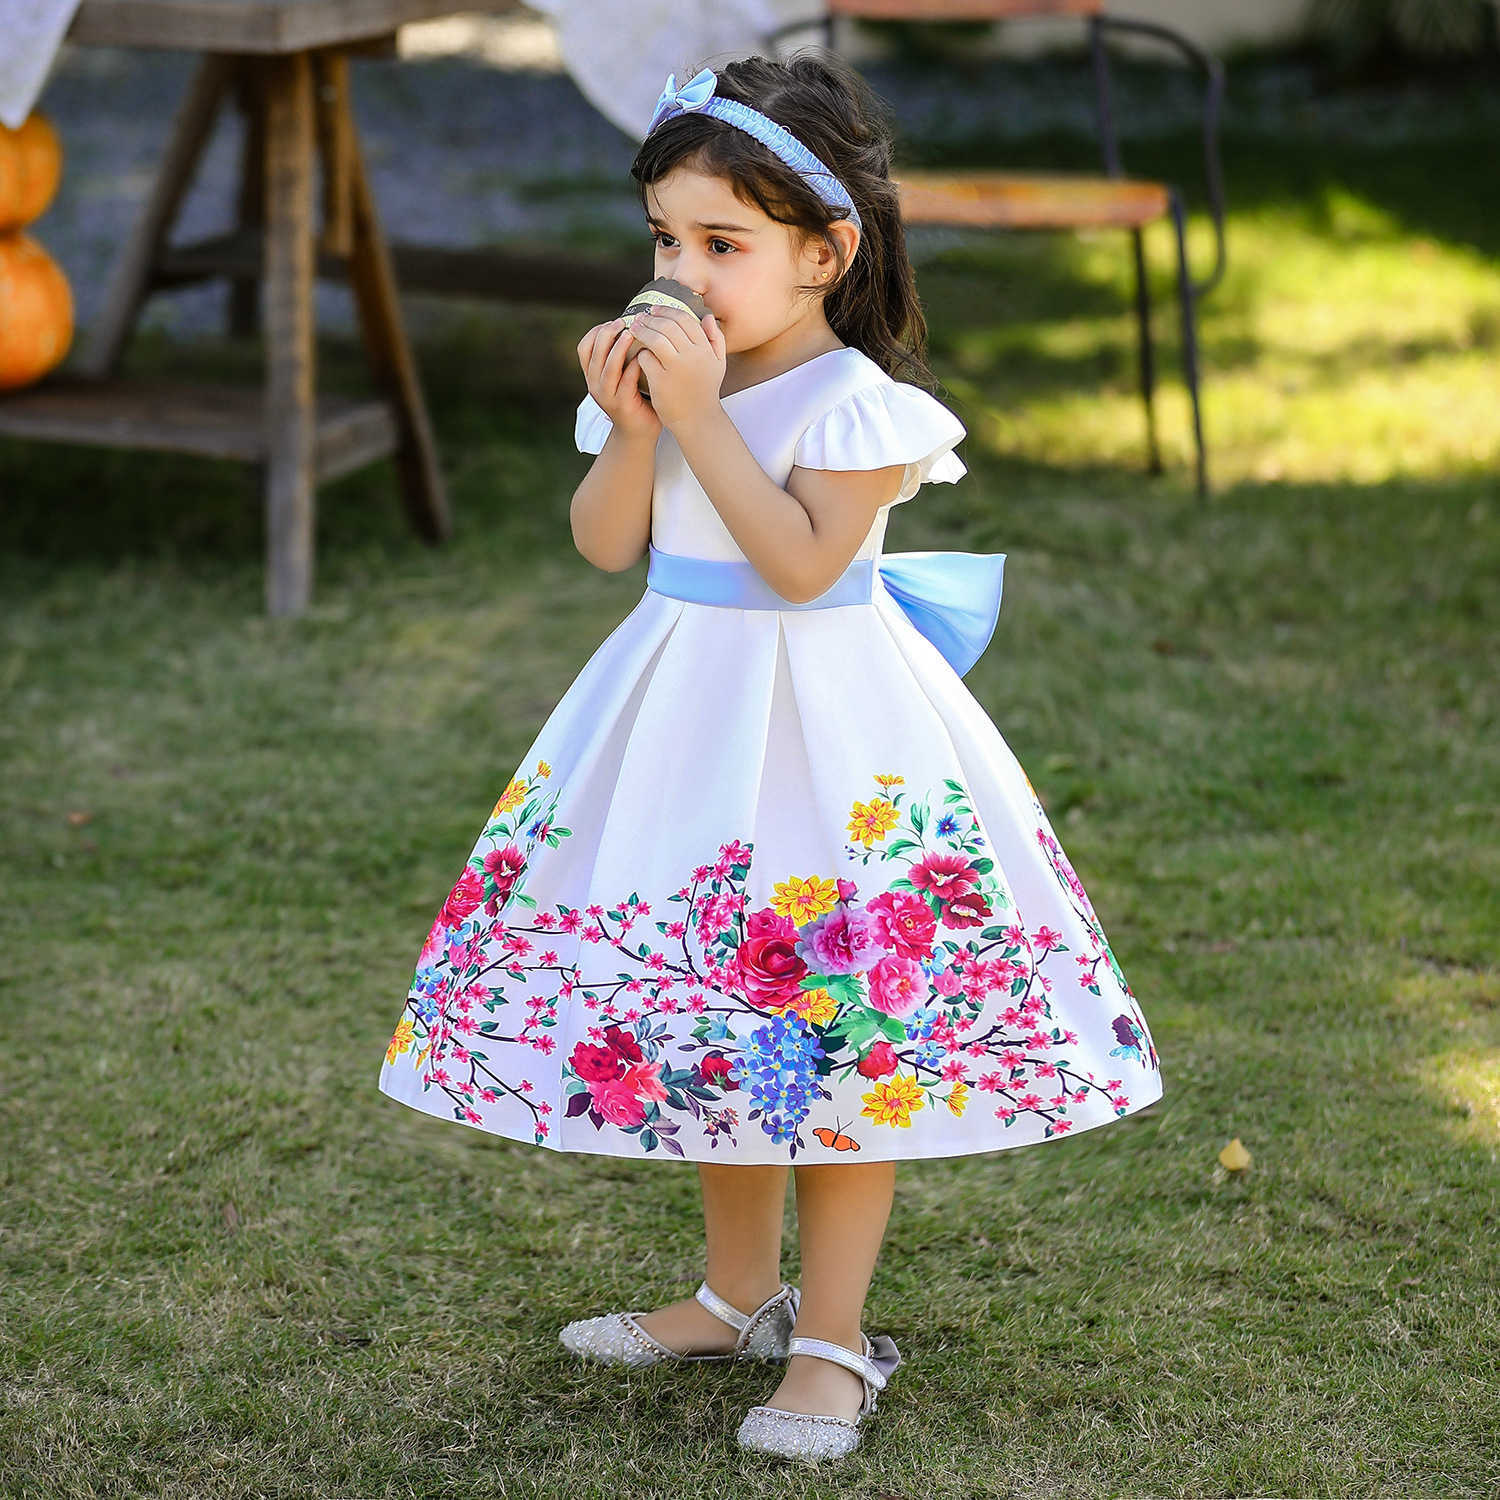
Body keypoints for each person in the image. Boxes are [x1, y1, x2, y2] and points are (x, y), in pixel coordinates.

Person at [378, 50, 1163, 1465]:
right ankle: (735, 1294)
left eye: (721, 246)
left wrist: (693, 418)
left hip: (826, 747)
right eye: (664, 241)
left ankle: (833, 1342)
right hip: (686, 722)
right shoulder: (667, 380)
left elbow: (803, 565)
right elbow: (609, 545)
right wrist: (634, 429)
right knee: (719, 1011)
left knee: (836, 1034)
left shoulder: (858, 404)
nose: (680, 277)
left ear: (825, 253)